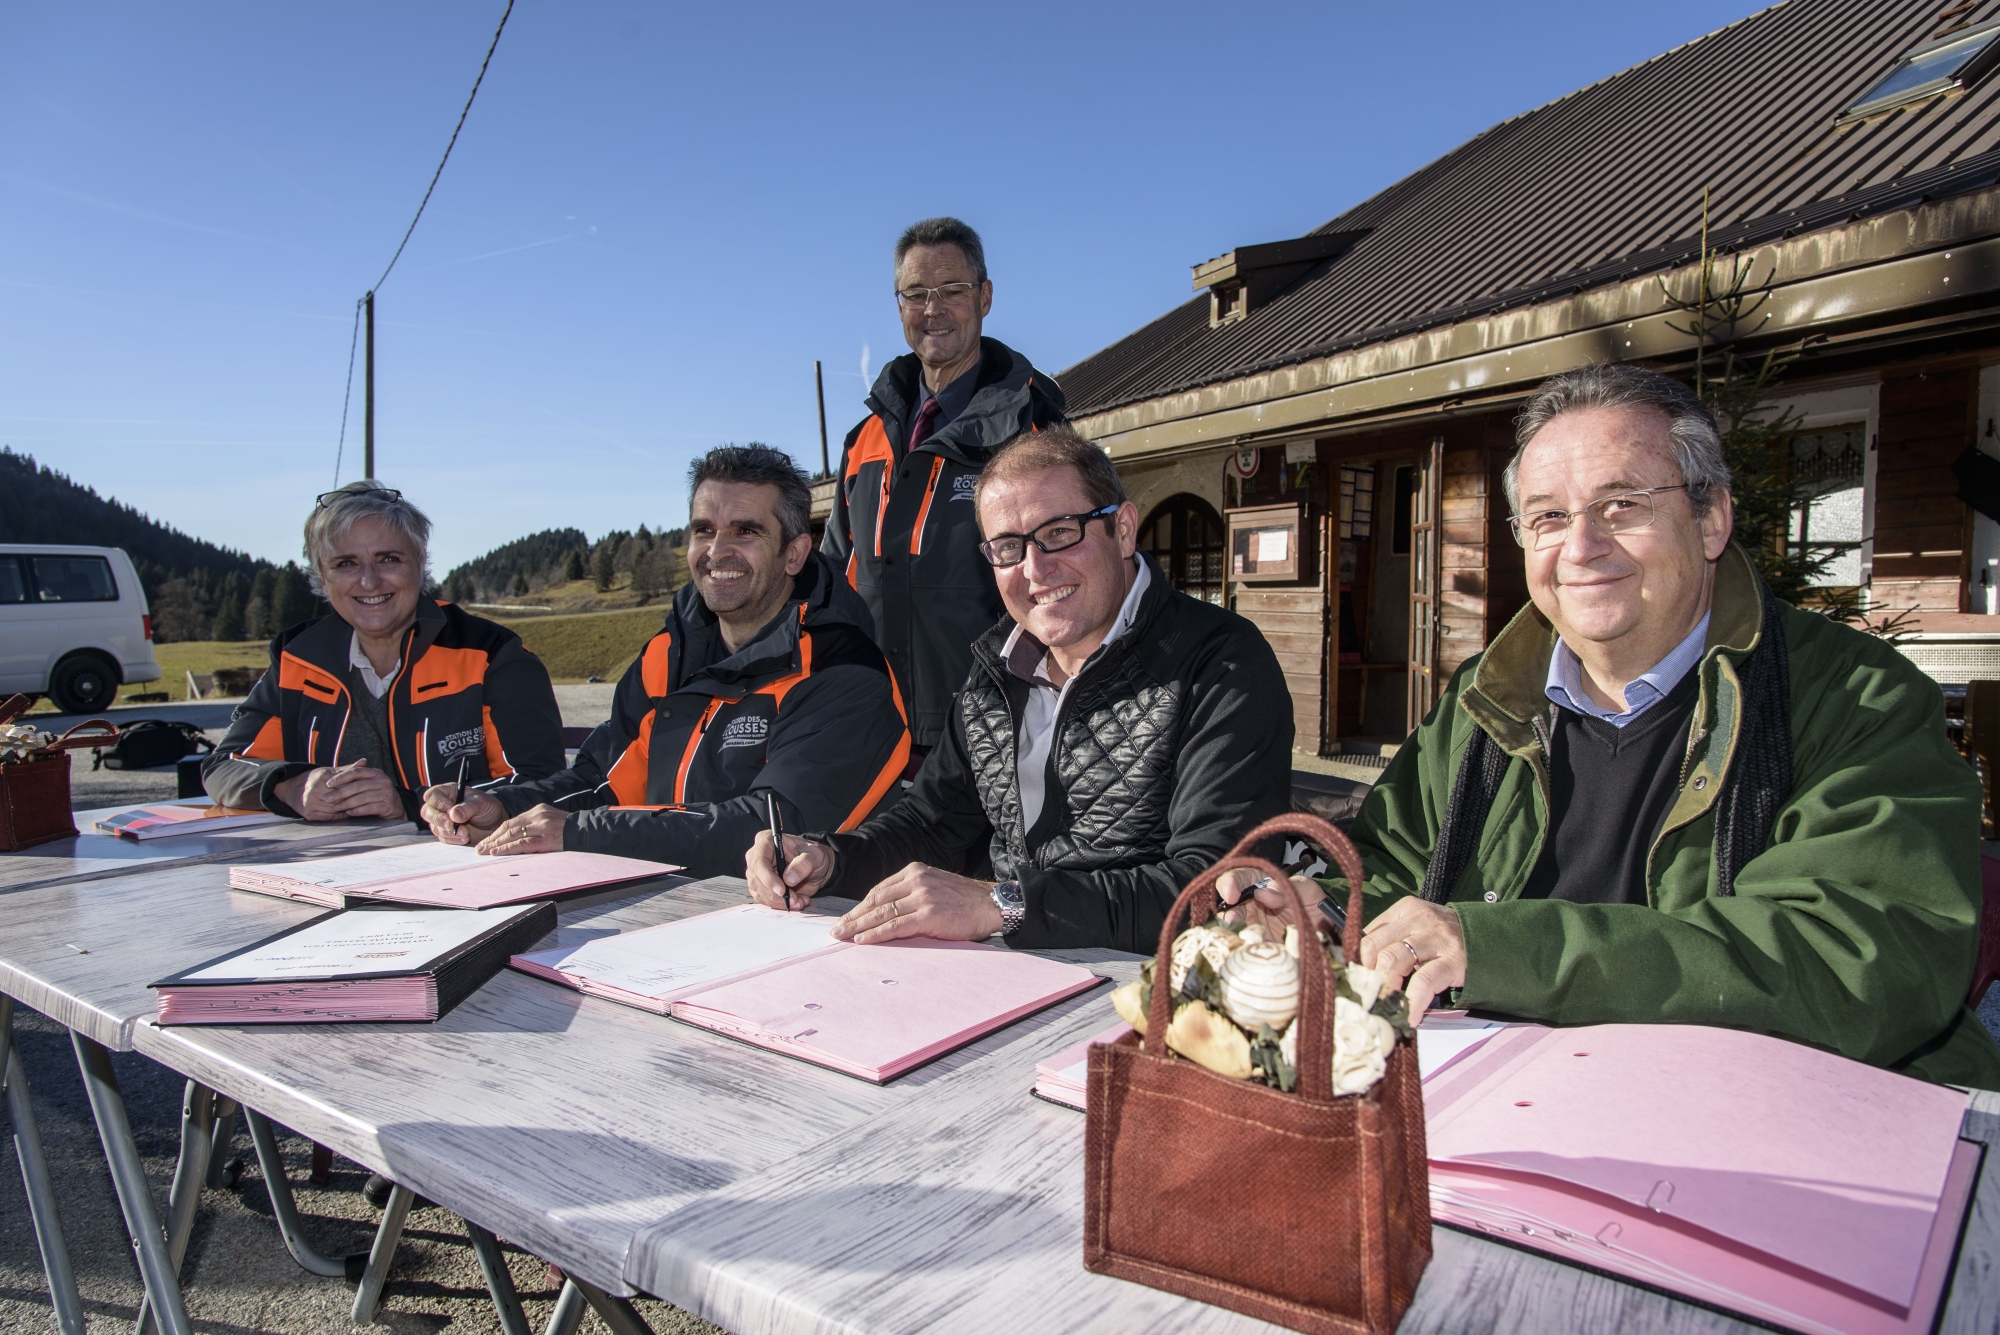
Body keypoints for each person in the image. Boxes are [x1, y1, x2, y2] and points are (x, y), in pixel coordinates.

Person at [1227, 363, 2000, 1089]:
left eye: (1622, 505)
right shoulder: (1486, 698)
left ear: (1711, 520)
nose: (1581, 546)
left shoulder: (1855, 698)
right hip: (1514, 1102)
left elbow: (1859, 960)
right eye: (1549, 517)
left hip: (1792, 1127)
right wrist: (1319, 904)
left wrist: (1500, 950)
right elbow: (1395, 860)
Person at [746, 424, 1295, 953]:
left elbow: (1218, 889)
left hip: (1152, 992)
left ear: (1123, 529)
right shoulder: (994, 668)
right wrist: (826, 859)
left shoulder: (1222, 664)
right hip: (1010, 977)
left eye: (1060, 533)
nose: (1036, 569)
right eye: (1007, 547)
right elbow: (930, 825)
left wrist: (1002, 904)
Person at [423, 445, 909, 876]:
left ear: (794, 554)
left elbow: (776, 826)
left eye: (746, 531)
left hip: (813, 929)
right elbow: (603, 778)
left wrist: (584, 832)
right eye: (704, 529)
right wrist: (503, 805)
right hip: (668, 909)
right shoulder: (670, 654)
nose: (718, 551)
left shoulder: (843, 670)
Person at [822, 216, 1068, 762]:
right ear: (899, 305)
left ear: (984, 297)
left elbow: (1064, 579)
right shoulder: (863, 440)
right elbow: (831, 580)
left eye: (952, 290)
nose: (932, 309)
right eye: (915, 294)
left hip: (993, 734)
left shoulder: (1032, 428)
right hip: (869, 728)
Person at [205, 481, 565, 821]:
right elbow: (224, 766)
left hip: (467, 867)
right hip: (325, 868)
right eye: (345, 563)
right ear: (321, 574)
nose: (369, 581)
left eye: (389, 559)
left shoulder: (491, 655)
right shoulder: (298, 656)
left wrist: (407, 803)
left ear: (420, 562)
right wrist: (290, 786)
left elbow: (543, 783)